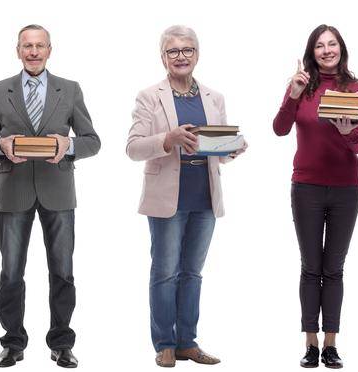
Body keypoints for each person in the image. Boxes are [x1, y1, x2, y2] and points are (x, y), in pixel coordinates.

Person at [0, 24, 102, 369]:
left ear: (49, 50)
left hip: (58, 192)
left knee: (63, 272)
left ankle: (61, 343)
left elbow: (92, 140)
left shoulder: (70, 90)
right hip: (13, 192)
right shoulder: (0, 91)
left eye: (39, 45)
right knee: (11, 272)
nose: (33, 52)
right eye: (27, 46)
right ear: (18, 50)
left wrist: (68, 145)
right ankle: (13, 343)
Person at [125, 24, 245, 368]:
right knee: (165, 273)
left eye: (187, 50)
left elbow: (216, 150)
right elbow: (133, 148)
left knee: (192, 273)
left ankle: (187, 342)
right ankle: (164, 343)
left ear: (197, 55)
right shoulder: (150, 96)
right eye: (174, 51)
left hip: (205, 198)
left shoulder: (213, 97)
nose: (181, 57)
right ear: (163, 57)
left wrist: (231, 149)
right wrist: (169, 138)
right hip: (167, 199)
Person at [272, 23, 358, 369]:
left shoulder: (356, 89)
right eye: (319, 46)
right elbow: (280, 128)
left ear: (341, 49)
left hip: (346, 188)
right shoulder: (301, 86)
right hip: (307, 187)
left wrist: (347, 133)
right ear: (311, 52)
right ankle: (310, 343)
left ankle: (331, 344)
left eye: (332, 44)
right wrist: (294, 93)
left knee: (335, 268)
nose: (327, 50)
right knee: (311, 267)